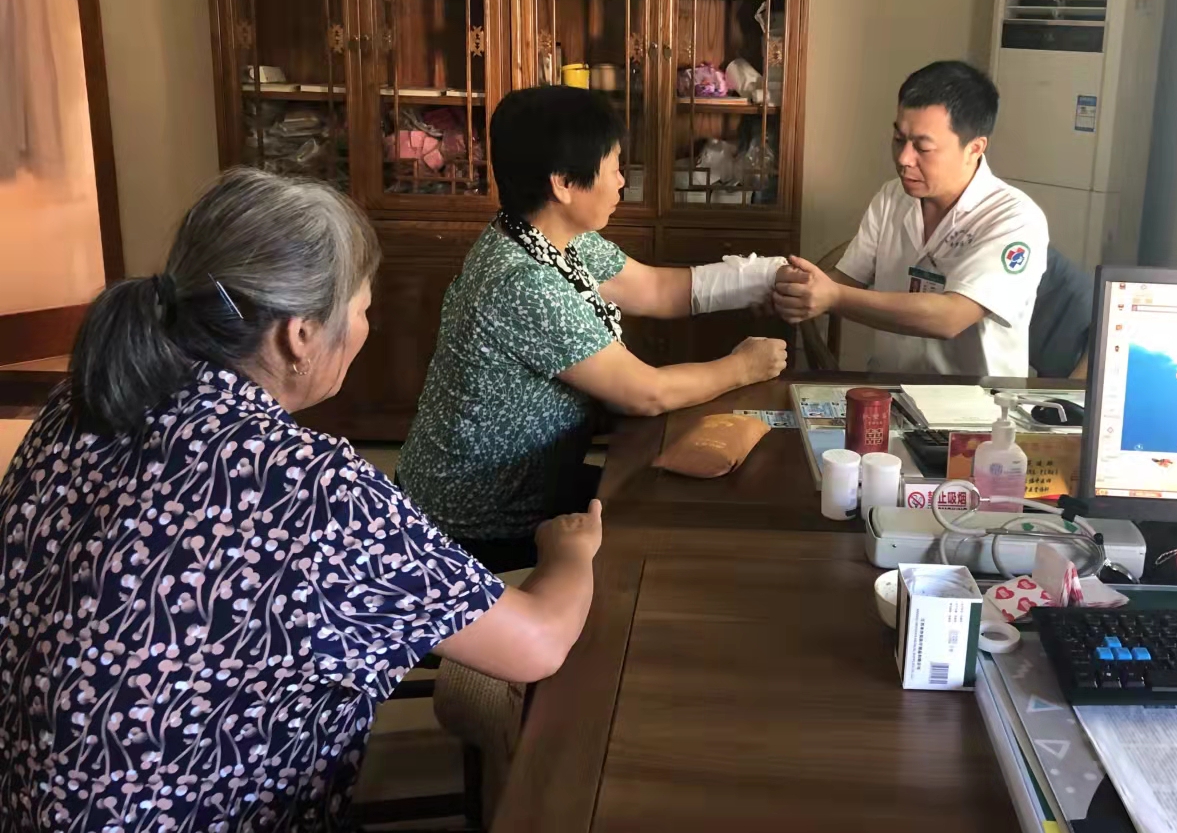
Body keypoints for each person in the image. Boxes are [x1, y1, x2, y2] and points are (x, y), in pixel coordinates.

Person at [0, 168, 602, 833]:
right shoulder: (311, 489)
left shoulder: (81, 403)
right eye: (362, 309)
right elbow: (539, 643)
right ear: (300, 335)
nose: (366, 326)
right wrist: (568, 552)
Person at [398, 86, 788, 572]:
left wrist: (767, 278)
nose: (622, 181)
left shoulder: (548, 236)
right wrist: (744, 366)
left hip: (527, 482)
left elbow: (657, 289)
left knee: (670, 492)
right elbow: (645, 392)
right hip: (479, 516)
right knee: (670, 528)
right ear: (564, 183)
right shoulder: (523, 281)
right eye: (614, 167)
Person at [772, 60, 1049, 376]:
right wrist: (786, 287)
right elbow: (844, 279)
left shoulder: (1014, 218)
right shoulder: (893, 197)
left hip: (975, 402)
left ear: (974, 149)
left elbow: (950, 317)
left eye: (923, 148)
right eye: (898, 139)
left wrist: (833, 297)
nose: (904, 159)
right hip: (889, 391)